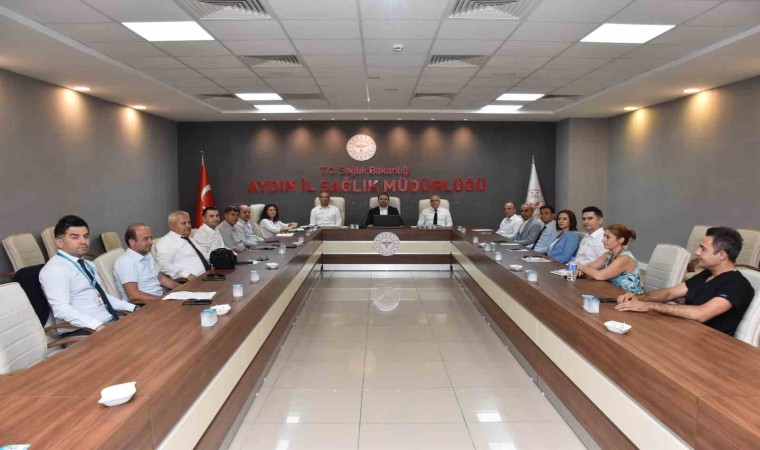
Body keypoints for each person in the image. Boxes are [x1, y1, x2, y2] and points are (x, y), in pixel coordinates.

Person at [616, 226, 754, 336]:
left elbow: (701, 314)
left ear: (722, 255)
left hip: (712, 346)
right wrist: (639, 298)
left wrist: (649, 306)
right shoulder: (707, 275)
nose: (697, 252)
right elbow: (670, 293)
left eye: (703, 249)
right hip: (687, 332)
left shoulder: (737, 285)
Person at [39, 215, 137, 332]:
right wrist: (97, 326)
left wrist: (133, 308)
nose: (83, 241)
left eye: (86, 236)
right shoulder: (55, 269)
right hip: (84, 330)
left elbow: (103, 297)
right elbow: (61, 309)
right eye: (75, 237)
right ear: (60, 242)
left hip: (108, 321)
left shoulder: (88, 264)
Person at [114, 223, 178, 302]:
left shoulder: (147, 254)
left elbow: (160, 278)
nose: (151, 242)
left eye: (151, 238)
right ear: (132, 242)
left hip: (159, 299)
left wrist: (182, 289)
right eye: (146, 239)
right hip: (145, 305)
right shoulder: (126, 262)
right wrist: (164, 300)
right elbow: (133, 295)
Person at [577, 224, 643, 294]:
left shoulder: (625, 258)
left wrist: (580, 266)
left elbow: (599, 275)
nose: (603, 240)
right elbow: (590, 267)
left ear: (620, 240)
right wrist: (580, 270)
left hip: (629, 298)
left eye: (608, 237)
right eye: (604, 236)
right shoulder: (609, 254)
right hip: (612, 292)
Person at [155, 210, 211, 280]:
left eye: (189, 223)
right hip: (189, 281)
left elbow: (203, 256)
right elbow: (163, 265)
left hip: (207, 276)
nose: (188, 226)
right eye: (183, 223)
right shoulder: (166, 242)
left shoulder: (189, 238)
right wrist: (187, 275)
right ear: (172, 226)